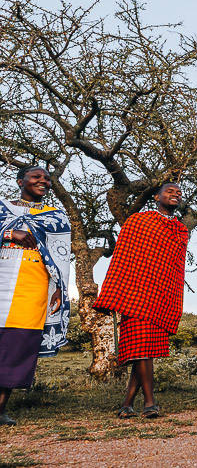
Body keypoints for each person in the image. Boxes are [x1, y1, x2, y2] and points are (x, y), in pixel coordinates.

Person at [93, 182, 188, 419]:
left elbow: (174, 266)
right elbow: (124, 257)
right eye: (169, 191)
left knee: (142, 349)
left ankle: (126, 404)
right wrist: (117, 292)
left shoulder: (180, 229)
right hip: (135, 294)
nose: (175, 194)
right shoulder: (138, 221)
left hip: (161, 295)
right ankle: (150, 402)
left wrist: (171, 294)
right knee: (142, 347)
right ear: (156, 196)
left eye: (178, 192)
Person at [0, 166, 71, 426]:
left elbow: (62, 258)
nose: (43, 181)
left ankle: (0, 408)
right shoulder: (1, 206)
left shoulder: (56, 217)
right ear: (21, 181)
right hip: (1, 279)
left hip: (33, 286)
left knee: (17, 345)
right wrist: (9, 233)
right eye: (36, 177)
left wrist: (59, 290)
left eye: (47, 179)